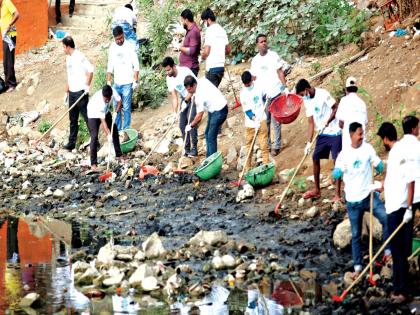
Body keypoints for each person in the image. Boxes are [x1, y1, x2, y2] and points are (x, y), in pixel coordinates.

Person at [333, 122, 390, 277]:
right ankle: (358, 267)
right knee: (356, 234)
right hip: (352, 201)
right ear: (351, 135)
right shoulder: (344, 155)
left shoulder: (367, 149)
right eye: (359, 134)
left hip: (369, 195)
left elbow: (378, 163)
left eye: (362, 133)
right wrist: (337, 172)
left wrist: (378, 166)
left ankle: (388, 252)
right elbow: (336, 172)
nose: (362, 136)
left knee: (385, 218)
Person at [377, 122, 416, 304]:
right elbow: (395, 177)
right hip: (394, 207)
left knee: (399, 252)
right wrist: (381, 185)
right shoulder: (395, 153)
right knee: (398, 251)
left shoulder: (399, 152)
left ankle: (402, 291)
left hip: (398, 209)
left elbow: (410, 179)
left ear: (385, 138)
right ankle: (398, 287)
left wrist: (409, 208)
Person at [295, 78, 342, 201]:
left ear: (306, 90)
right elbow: (311, 122)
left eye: (301, 94)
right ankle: (317, 189)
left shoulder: (323, 94)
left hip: (335, 132)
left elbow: (336, 108)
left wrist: (327, 121)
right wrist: (309, 142)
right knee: (315, 157)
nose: (302, 97)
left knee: (337, 161)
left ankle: (337, 194)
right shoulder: (307, 101)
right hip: (322, 133)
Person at [250, 34, 288, 156]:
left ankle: (276, 146)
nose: (264, 43)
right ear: (257, 45)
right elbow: (254, 78)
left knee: (276, 120)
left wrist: (284, 87)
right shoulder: (255, 61)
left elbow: (280, 72)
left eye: (265, 41)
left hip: (275, 92)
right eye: (261, 42)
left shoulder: (273, 56)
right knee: (265, 121)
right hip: (263, 96)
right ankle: (267, 145)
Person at [184, 75, 228, 157]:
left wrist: (191, 125)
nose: (189, 92)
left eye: (190, 89)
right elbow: (191, 92)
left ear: (194, 85)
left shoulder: (199, 96)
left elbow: (199, 116)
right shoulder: (201, 80)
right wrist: (185, 101)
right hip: (215, 109)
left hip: (219, 111)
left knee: (211, 136)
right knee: (207, 133)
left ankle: (212, 160)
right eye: (187, 90)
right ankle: (209, 158)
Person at [62, 36, 93, 151]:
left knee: (87, 118)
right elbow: (69, 76)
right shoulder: (68, 58)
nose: (63, 49)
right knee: (73, 119)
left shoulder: (79, 56)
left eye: (63, 47)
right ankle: (71, 143)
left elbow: (91, 70)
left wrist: (86, 86)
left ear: (68, 46)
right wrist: (66, 93)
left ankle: (95, 141)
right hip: (72, 93)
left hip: (81, 92)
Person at [162, 56, 198, 157]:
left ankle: (194, 148)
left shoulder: (184, 72)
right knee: (182, 124)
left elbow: (195, 87)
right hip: (184, 98)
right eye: (165, 71)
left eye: (168, 70)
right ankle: (186, 149)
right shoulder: (169, 79)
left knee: (191, 120)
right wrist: (174, 112)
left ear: (174, 66)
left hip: (194, 95)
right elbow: (174, 97)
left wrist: (186, 100)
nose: (167, 72)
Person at [106, 26, 139, 131]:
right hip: (117, 83)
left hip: (128, 83)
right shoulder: (112, 47)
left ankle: (126, 129)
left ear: (123, 34)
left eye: (120, 38)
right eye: (117, 39)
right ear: (114, 38)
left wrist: (135, 80)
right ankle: (118, 130)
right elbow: (110, 65)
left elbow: (136, 64)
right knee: (117, 107)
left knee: (126, 107)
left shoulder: (129, 46)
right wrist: (108, 81)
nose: (119, 41)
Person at [87, 85, 123, 171]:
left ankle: (119, 155)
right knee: (94, 137)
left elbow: (119, 101)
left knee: (114, 129)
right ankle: (93, 164)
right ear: (102, 96)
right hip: (93, 114)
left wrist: (116, 111)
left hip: (105, 112)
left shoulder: (113, 91)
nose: (106, 100)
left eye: (108, 99)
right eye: (105, 99)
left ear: (111, 96)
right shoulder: (100, 102)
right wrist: (108, 135)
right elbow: (103, 123)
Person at [240, 70, 269, 171]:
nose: (247, 85)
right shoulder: (243, 93)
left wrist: (267, 96)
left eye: (248, 83)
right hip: (250, 124)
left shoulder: (259, 86)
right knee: (249, 146)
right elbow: (247, 111)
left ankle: (266, 166)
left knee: (263, 144)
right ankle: (247, 169)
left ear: (251, 79)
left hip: (262, 120)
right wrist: (254, 119)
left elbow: (265, 96)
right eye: (245, 84)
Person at [200, 8, 230, 87]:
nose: (204, 24)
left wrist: (201, 58)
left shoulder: (209, 31)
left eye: (204, 21)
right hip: (221, 68)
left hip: (212, 68)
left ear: (208, 20)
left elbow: (206, 52)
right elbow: (228, 50)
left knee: (210, 95)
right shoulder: (222, 30)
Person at [336, 77, 368, 148]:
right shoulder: (362, 103)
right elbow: (365, 122)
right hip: (361, 141)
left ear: (346, 89)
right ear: (356, 89)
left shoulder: (344, 101)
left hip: (349, 141)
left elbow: (340, 124)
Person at [400, 115, 420, 213]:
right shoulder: (418, 146)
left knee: (408, 226)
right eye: (417, 127)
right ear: (413, 129)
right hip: (418, 191)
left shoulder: (398, 147)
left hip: (406, 196)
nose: (419, 129)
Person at [0, 0, 19, 92]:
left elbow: (17, 14)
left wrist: (9, 25)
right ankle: (9, 82)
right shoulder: (1, 7)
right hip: (5, 36)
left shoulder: (7, 2)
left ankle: (11, 83)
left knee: (9, 60)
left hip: (10, 35)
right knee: (6, 60)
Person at [179, 9, 201, 76]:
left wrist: (179, 47)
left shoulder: (193, 31)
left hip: (191, 67)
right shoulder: (190, 31)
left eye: (182, 20)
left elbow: (192, 51)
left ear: (186, 20)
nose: (182, 23)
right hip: (186, 67)